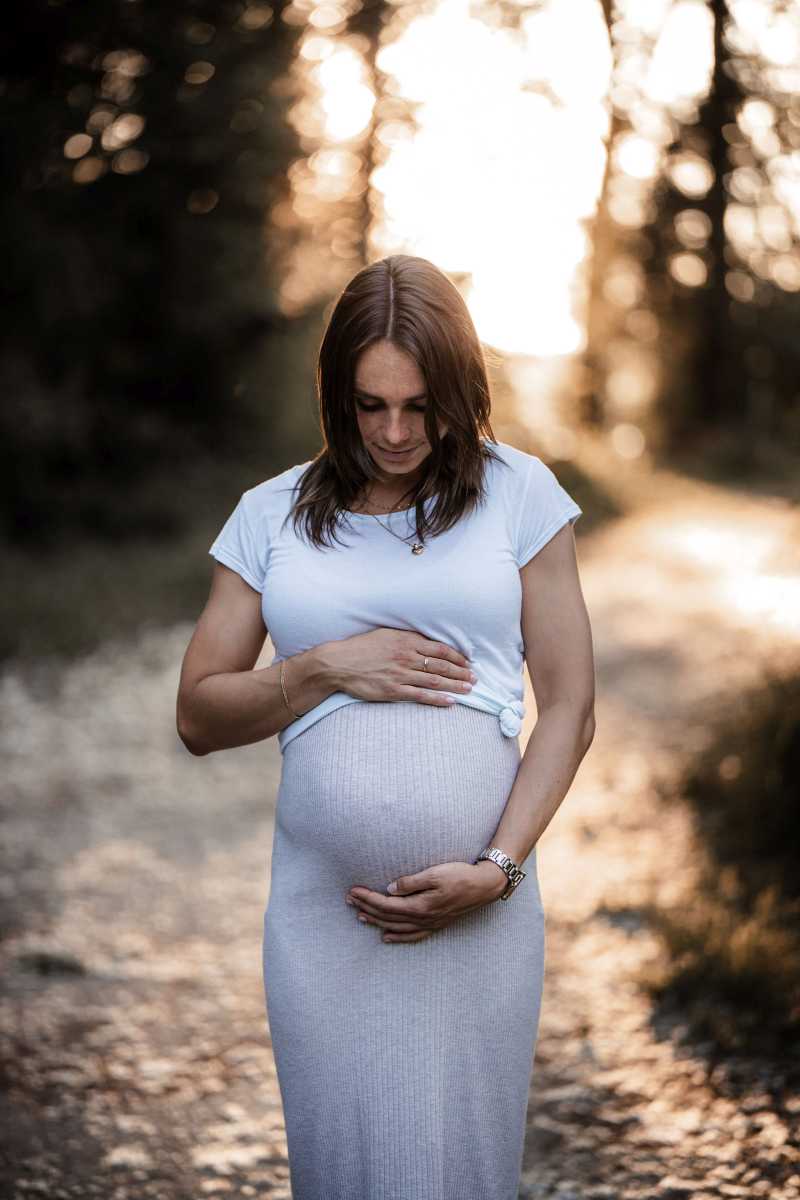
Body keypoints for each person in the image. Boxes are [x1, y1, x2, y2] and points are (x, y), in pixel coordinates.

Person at [176, 253, 596, 1200]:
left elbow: (570, 708)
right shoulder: (269, 514)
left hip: (477, 910)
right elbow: (198, 713)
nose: (398, 432)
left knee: (463, 1172)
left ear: (460, 389)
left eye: (421, 405)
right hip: (326, 914)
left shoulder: (521, 494)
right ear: (336, 396)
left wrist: (497, 870)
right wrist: (323, 666)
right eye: (372, 407)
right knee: (341, 1172)